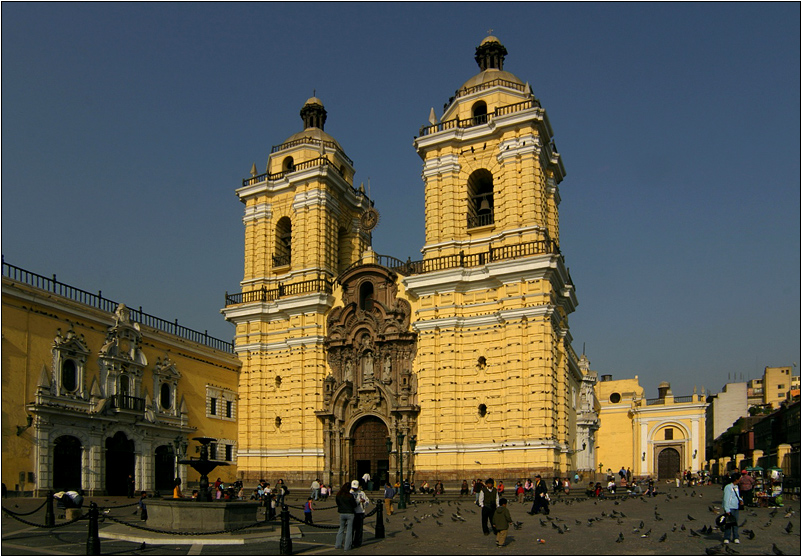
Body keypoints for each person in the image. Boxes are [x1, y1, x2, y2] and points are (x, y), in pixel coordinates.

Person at [334, 483, 357, 551]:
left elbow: (338, 503)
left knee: (341, 529)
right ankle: (347, 547)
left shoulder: (338, 495)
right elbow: (354, 505)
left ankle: (338, 544)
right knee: (349, 530)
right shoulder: (350, 496)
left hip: (342, 513)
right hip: (350, 513)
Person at [722, 472, 743, 545]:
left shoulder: (736, 487)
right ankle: (726, 538)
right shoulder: (728, 487)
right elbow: (726, 499)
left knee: (735, 523)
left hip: (735, 507)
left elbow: (737, 495)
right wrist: (727, 509)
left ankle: (736, 537)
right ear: (736, 479)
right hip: (730, 507)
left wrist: (740, 500)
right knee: (728, 523)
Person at [352, 479, 370, 548]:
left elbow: (367, 501)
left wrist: (364, 501)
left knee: (359, 529)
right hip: (352, 512)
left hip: (360, 512)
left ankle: (357, 542)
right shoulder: (350, 493)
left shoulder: (361, 493)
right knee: (352, 528)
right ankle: (351, 541)